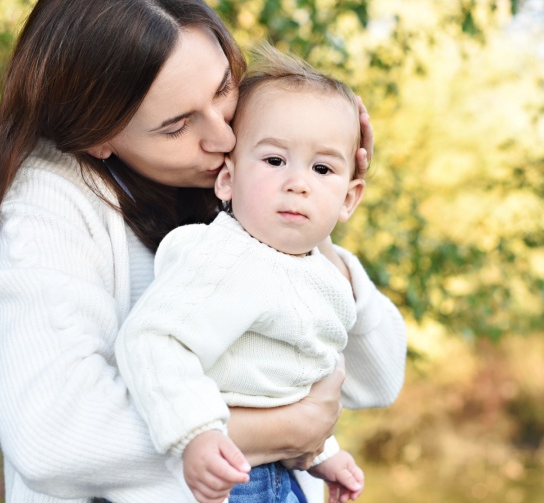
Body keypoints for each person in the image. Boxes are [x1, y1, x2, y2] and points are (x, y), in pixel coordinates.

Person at [0, 0, 407, 503]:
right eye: (178, 124)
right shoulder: (51, 202)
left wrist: (313, 212)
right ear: (97, 136)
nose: (223, 138)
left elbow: (375, 378)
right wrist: (285, 430)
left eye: (224, 87)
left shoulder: (245, 168)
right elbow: (53, 432)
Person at [116, 43, 382, 503]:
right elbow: (153, 339)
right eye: (275, 160)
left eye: (322, 168)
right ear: (227, 179)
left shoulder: (314, 273)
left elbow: (277, 381)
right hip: (226, 480)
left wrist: (322, 452)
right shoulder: (226, 258)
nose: (298, 182)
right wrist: (195, 432)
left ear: (348, 199)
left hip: (280, 477)